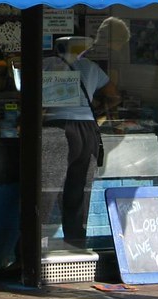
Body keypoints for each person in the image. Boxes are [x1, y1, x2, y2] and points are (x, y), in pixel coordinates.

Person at [42, 20, 127, 247]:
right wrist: (99, 110)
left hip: (57, 128)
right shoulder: (90, 67)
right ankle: (76, 245)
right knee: (78, 193)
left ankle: (32, 249)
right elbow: (114, 95)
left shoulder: (48, 64)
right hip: (87, 131)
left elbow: (31, 98)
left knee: (46, 192)